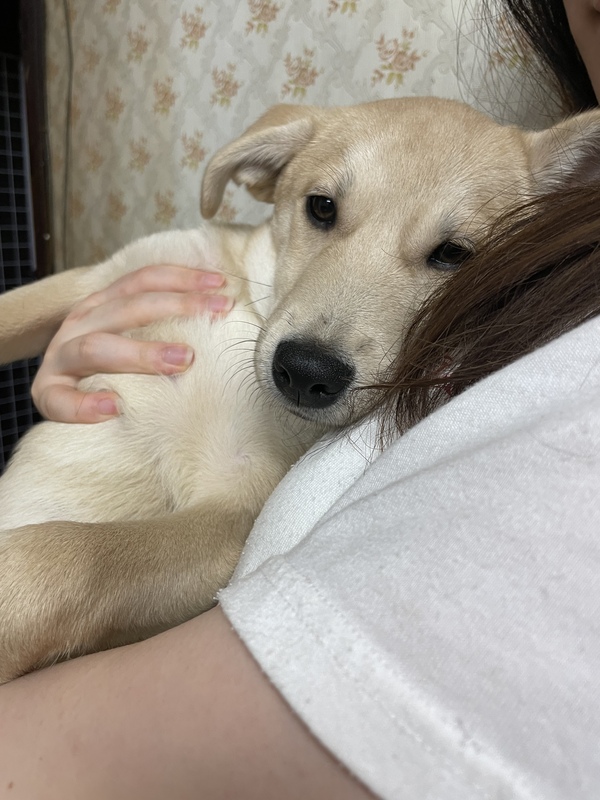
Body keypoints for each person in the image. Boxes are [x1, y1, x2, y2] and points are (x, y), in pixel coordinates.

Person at [0, 2, 599, 797]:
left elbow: (229, 538)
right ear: (268, 181)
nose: (321, 339)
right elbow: (70, 296)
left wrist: (51, 580)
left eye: (449, 252)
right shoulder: (194, 257)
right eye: (324, 210)